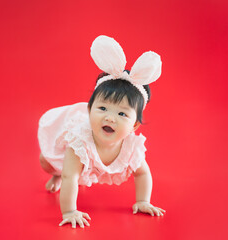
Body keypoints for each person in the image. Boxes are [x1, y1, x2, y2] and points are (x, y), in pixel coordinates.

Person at [38, 35, 166, 228]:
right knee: (49, 164)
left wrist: (142, 201)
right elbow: (69, 177)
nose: (110, 118)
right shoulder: (80, 141)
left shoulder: (131, 147)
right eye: (103, 109)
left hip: (89, 164)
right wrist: (70, 211)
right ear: (89, 111)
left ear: (134, 126)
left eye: (122, 113)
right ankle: (53, 172)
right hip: (69, 165)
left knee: (77, 174)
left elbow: (142, 174)